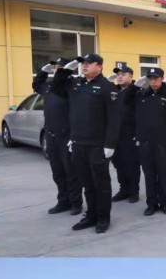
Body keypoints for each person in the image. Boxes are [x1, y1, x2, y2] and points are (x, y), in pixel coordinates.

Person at [51, 53, 121, 234]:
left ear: (99, 66)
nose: (85, 66)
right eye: (83, 64)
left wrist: (110, 145)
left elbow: (114, 119)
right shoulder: (76, 84)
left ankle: (103, 217)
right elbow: (55, 88)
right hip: (78, 143)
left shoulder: (107, 87)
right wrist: (66, 70)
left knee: (101, 184)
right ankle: (91, 215)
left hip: (97, 145)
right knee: (87, 183)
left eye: (89, 63)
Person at [32, 57, 83, 215]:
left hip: (66, 135)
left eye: (59, 67)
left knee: (71, 172)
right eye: (54, 67)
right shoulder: (49, 86)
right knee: (57, 172)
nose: (56, 69)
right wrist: (43, 71)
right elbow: (36, 85)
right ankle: (63, 201)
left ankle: (76, 203)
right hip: (51, 135)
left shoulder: (73, 85)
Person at [135, 67, 166, 216]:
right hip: (146, 142)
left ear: (162, 79)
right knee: (149, 174)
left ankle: (165, 202)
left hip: (162, 142)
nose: (153, 82)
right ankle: (151, 203)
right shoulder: (143, 94)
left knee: (163, 174)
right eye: (150, 79)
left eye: (156, 78)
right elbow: (129, 107)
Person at [111, 64, 141, 203]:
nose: (120, 77)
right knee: (119, 164)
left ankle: (134, 191)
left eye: (123, 75)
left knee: (132, 164)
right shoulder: (114, 91)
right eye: (118, 75)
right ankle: (124, 190)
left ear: (131, 77)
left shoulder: (137, 92)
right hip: (115, 134)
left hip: (130, 134)